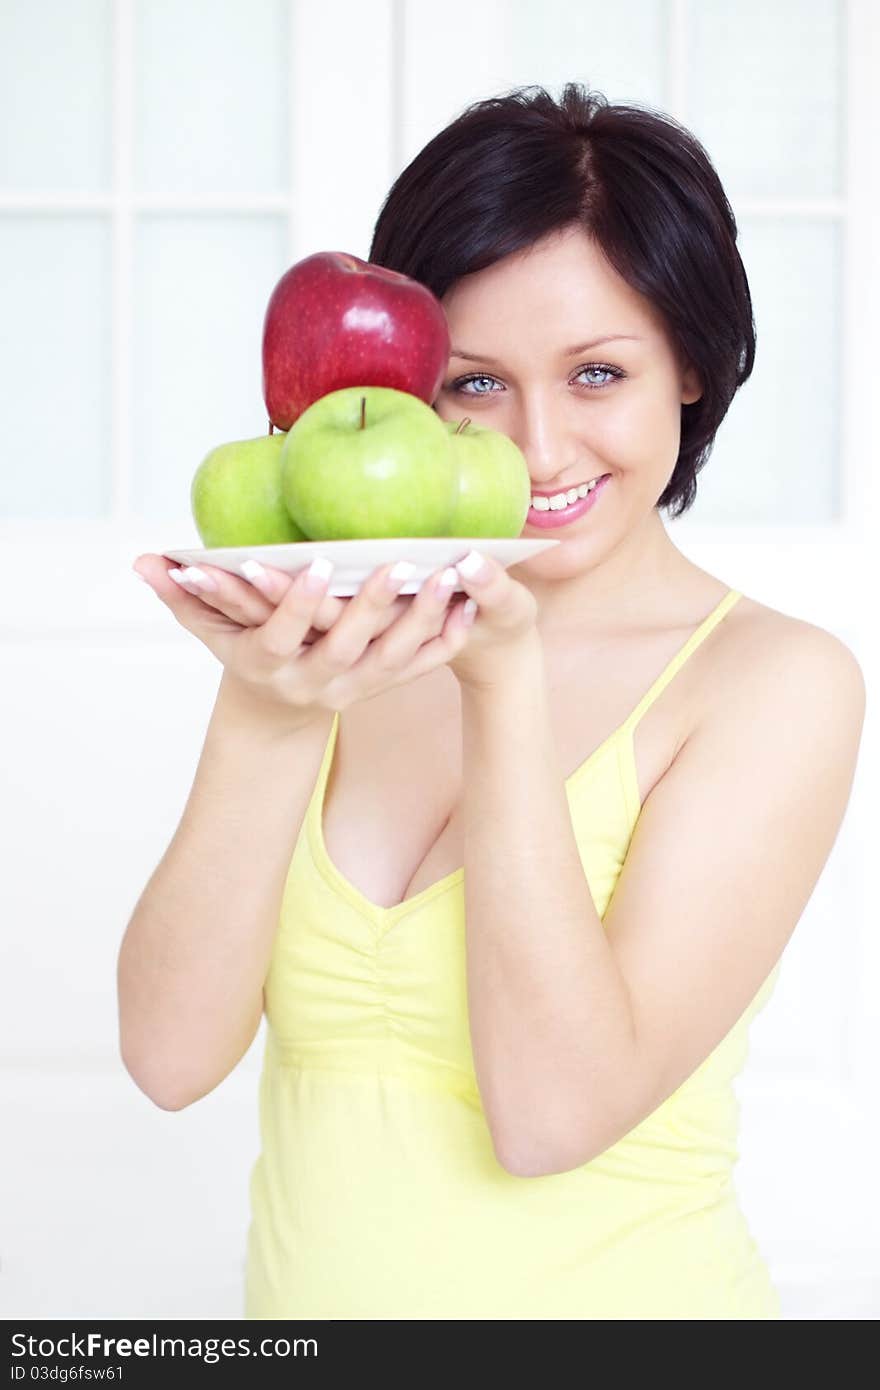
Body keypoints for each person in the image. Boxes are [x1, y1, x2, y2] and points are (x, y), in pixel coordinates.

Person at [119, 83, 866, 1320]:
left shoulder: (774, 683)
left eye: (595, 373)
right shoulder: (336, 643)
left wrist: (503, 690)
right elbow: (168, 1058)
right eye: (474, 385)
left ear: (688, 363)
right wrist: (265, 709)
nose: (535, 450)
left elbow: (551, 1115)